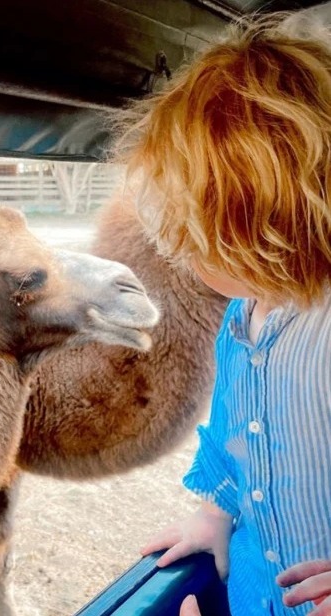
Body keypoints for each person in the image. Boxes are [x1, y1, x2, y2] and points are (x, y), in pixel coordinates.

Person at [116, 12, 331, 616]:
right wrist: (214, 515)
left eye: (194, 237)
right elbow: (236, 439)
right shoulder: (239, 324)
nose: (181, 255)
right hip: (255, 593)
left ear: (255, 228)